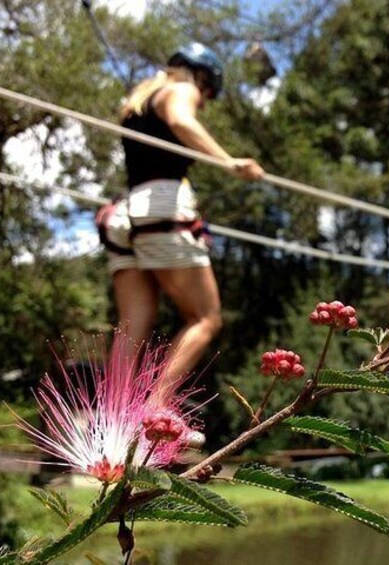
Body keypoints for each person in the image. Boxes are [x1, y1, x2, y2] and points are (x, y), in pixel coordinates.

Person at [98, 42, 264, 411]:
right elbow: (181, 121)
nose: (202, 102)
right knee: (206, 318)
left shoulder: (138, 103)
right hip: (162, 209)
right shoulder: (180, 88)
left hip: (126, 213)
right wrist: (228, 162)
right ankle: (154, 409)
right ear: (200, 77)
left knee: (132, 326)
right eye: (206, 94)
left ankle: (113, 414)